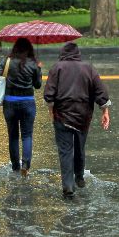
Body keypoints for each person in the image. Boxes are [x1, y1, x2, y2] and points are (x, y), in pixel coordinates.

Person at [43, 42, 111, 198]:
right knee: (80, 147)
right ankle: (79, 176)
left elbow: (49, 94)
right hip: (83, 117)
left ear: (62, 53)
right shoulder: (89, 68)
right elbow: (100, 91)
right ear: (78, 54)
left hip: (62, 116)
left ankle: (68, 185)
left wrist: (51, 110)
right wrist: (105, 110)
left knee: (65, 151)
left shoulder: (57, 68)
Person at [0, 38, 43, 177]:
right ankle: (25, 165)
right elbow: (38, 85)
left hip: (10, 103)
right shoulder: (33, 64)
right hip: (27, 103)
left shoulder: (7, 61)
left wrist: (7, 77)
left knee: (13, 136)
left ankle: (15, 167)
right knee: (27, 135)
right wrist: (39, 69)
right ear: (29, 49)